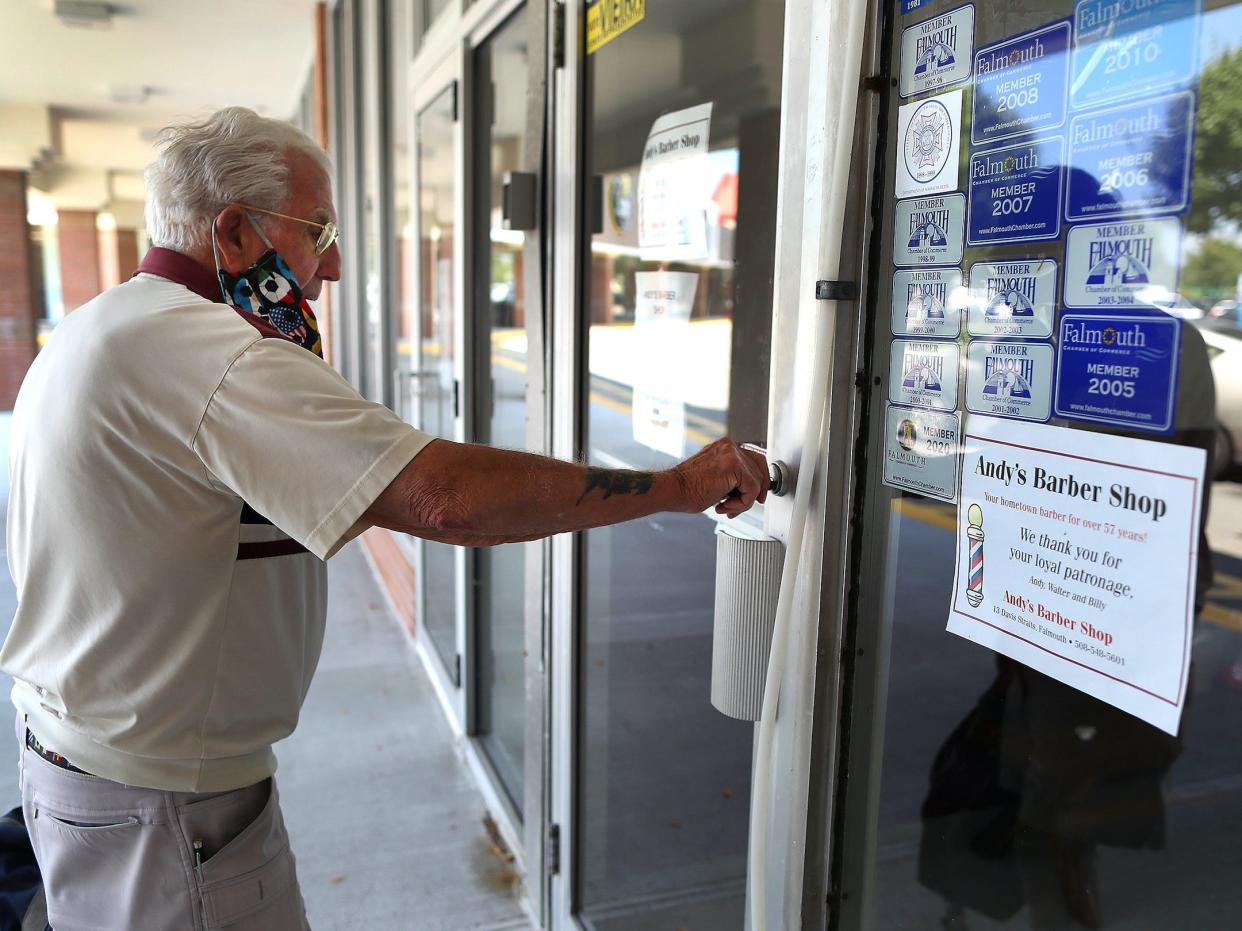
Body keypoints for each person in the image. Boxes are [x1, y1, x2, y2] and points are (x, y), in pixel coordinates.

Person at [1, 107, 769, 930]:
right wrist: (674, 486)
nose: (328, 267)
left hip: (102, 770)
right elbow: (445, 497)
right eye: (317, 229)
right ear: (232, 232)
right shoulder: (211, 355)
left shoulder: (106, 325)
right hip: (161, 807)